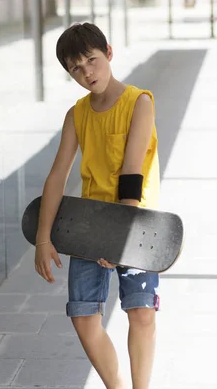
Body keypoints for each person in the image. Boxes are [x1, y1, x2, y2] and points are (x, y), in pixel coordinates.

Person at [35, 22, 160, 389]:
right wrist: (44, 239)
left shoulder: (140, 101)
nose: (87, 72)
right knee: (84, 317)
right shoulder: (77, 114)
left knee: (141, 312)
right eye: (76, 67)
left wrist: (117, 240)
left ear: (108, 52)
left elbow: (132, 173)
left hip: (135, 223)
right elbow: (57, 176)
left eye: (91, 59)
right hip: (91, 225)